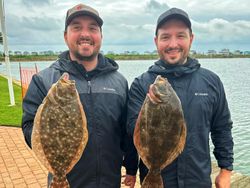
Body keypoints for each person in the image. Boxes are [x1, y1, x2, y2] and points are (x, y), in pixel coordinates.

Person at [21, 3, 137, 188]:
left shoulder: (119, 81)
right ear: (66, 36)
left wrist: (131, 167)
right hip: (66, 181)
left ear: (100, 35)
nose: (85, 34)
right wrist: (53, 132)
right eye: (77, 27)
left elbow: (127, 131)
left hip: (110, 182)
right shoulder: (43, 80)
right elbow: (28, 125)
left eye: (92, 28)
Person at [127, 7, 234, 188]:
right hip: (156, 180)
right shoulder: (141, 84)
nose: (173, 44)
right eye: (166, 37)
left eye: (181, 36)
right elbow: (131, 131)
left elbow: (222, 128)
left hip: (198, 180)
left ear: (191, 39)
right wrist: (150, 106)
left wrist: (225, 169)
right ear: (156, 41)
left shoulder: (211, 81)